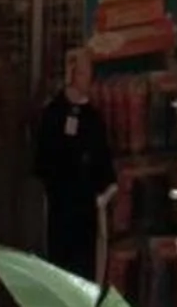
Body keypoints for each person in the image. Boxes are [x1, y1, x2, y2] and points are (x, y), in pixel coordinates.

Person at [32, 47, 118, 277]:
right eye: (82, 72)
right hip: (59, 207)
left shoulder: (93, 119)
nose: (87, 78)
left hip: (86, 210)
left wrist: (103, 194)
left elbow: (104, 163)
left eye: (89, 72)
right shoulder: (52, 115)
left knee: (85, 266)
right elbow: (42, 162)